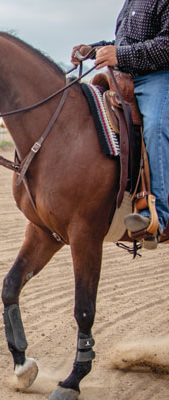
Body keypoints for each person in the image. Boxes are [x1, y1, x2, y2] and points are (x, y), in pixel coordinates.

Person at [71, 0, 169, 249]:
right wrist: (93, 50)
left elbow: (166, 44)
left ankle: (157, 217)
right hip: (126, 78)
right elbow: (124, 44)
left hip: (160, 77)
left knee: (156, 127)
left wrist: (120, 54)